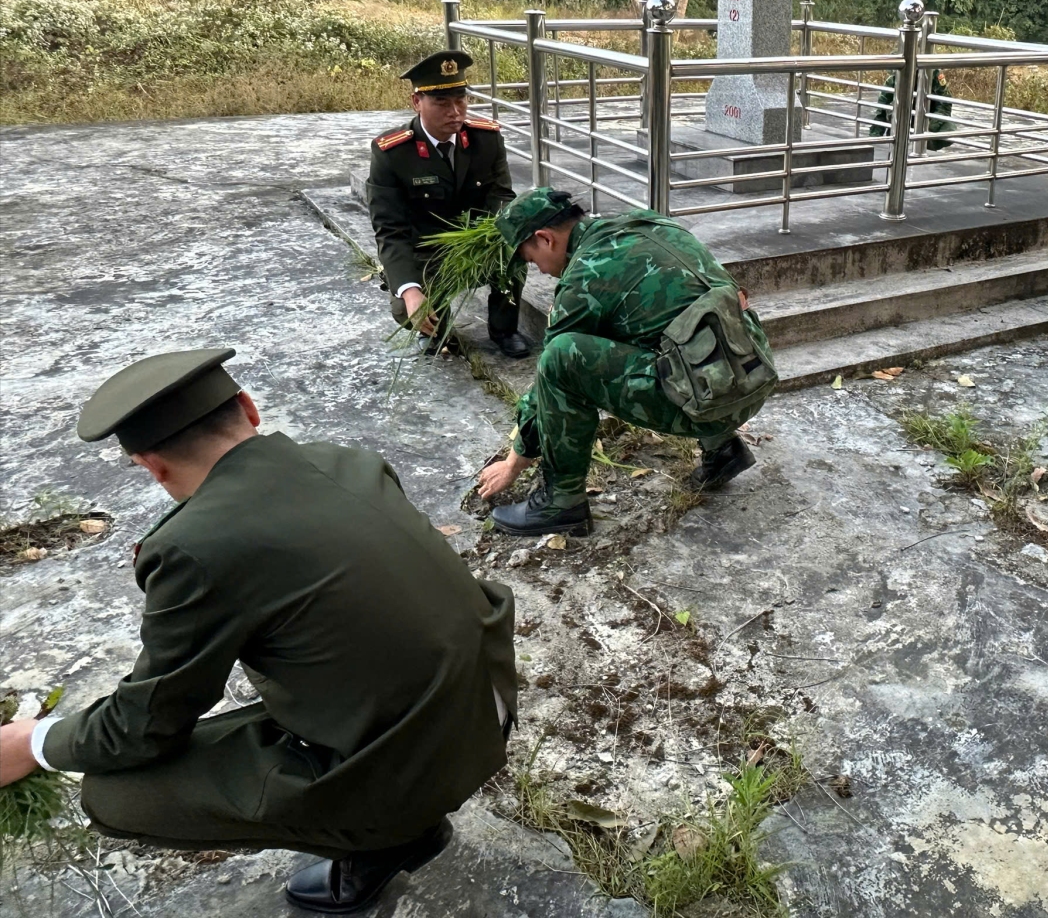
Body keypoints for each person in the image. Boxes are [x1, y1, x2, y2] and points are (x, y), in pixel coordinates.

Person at [0, 349, 518, 914]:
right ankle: (396, 814)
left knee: (115, 793)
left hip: (418, 766)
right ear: (249, 408)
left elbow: (142, 727)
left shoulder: (191, 547)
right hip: (486, 709)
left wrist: (33, 743)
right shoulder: (348, 461)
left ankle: (388, 837)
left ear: (151, 465)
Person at [477, 189, 779, 537]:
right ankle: (722, 449)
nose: (542, 271)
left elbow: (550, 377)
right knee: (658, 326)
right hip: (753, 376)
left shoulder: (585, 277)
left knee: (562, 355)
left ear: (546, 239)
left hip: (706, 405)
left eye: (533, 261)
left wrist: (514, 462)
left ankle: (561, 502)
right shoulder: (650, 224)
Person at [367, 49, 530, 357]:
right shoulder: (392, 153)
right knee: (407, 309)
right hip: (426, 252)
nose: (455, 112)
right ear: (417, 102)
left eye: (461, 100)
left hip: (476, 243)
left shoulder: (486, 139)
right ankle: (434, 329)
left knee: (512, 251)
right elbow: (389, 229)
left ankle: (505, 329)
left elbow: (501, 196)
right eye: (441, 102)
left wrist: (501, 234)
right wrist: (410, 290)